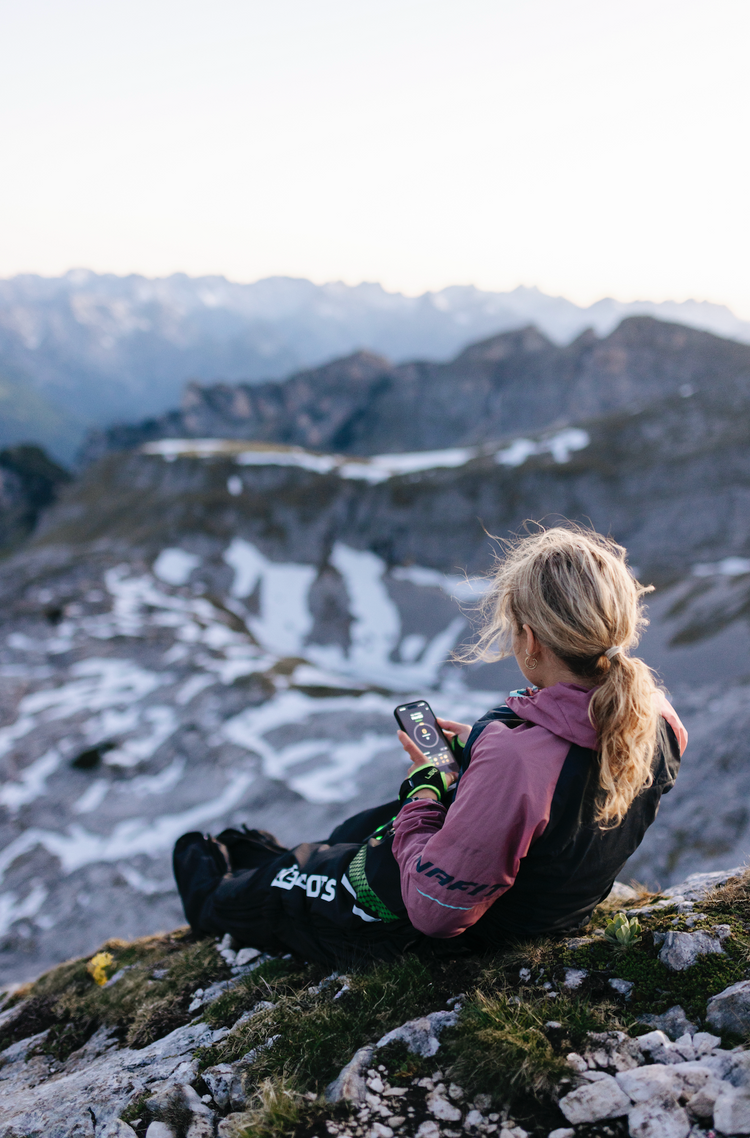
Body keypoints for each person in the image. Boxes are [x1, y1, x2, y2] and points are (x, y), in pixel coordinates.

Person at [173, 526, 687, 965]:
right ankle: (287, 861)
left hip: (469, 935)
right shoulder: (659, 720)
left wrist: (424, 791)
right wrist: (482, 749)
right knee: (353, 831)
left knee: (268, 891)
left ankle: (215, 891)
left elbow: (434, 912)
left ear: (531, 639)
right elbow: (564, 787)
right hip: (550, 908)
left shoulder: (517, 760)